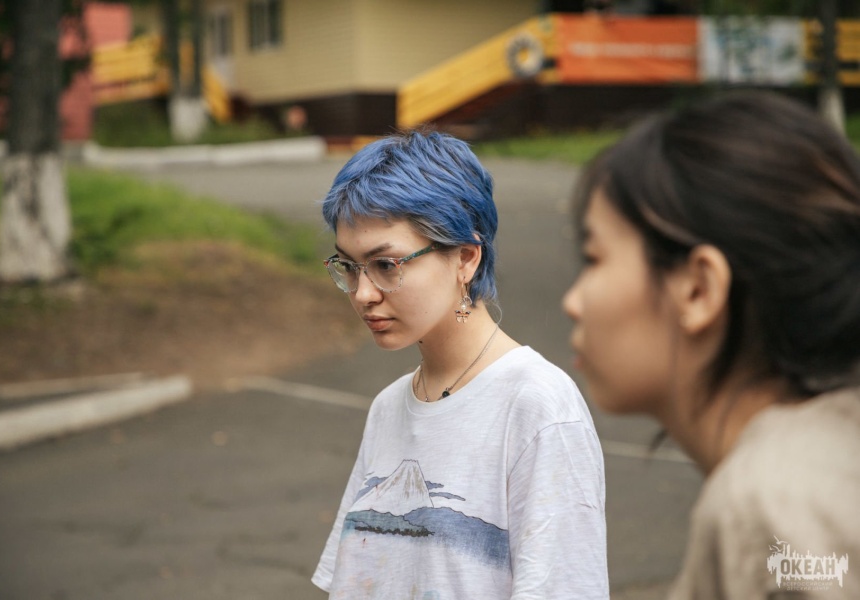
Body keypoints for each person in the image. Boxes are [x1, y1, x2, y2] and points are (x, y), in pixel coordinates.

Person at [562, 91, 860, 599]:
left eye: (594, 258)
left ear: (699, 289)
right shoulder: (821, 458)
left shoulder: (770, 509)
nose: (572, 301)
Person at [312, 130, 608, 599]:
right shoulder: (389, 407)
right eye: (348, 266)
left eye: (386, 265)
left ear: (466, 258)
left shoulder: (538, 406)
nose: (363, 293)